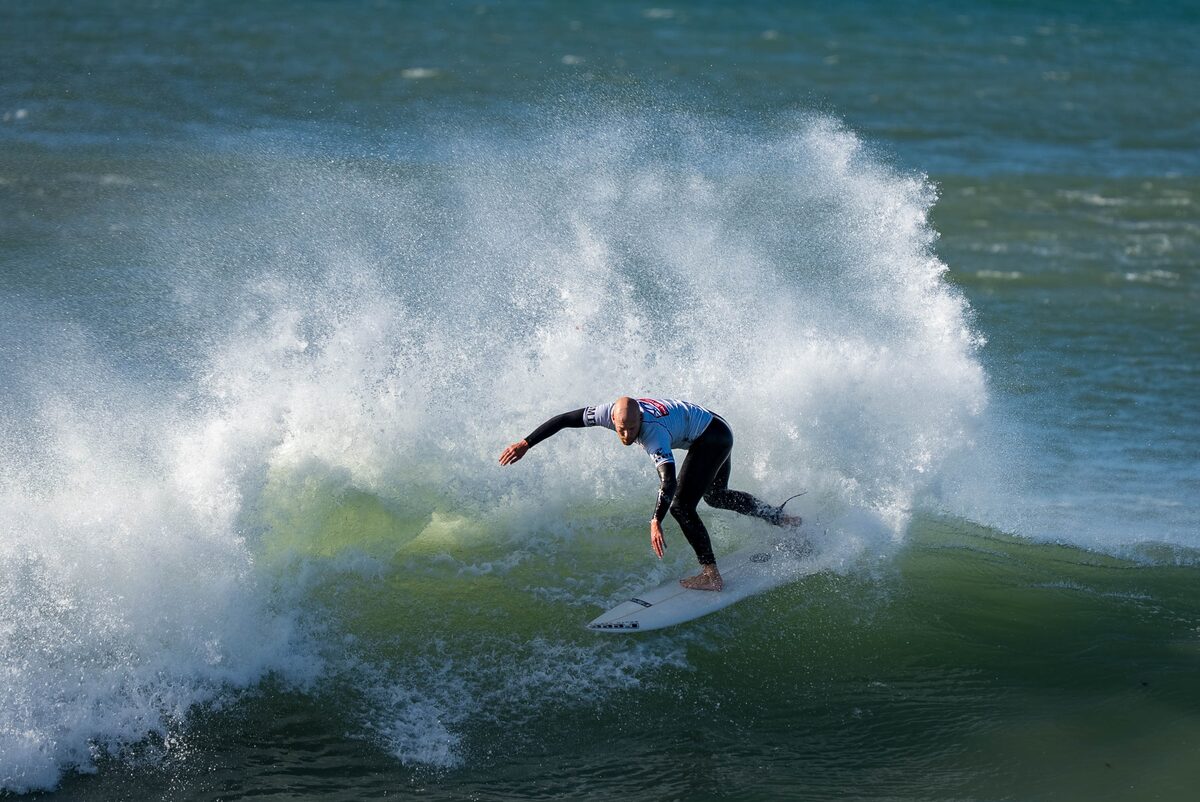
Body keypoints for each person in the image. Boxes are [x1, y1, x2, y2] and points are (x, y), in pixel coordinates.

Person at [498, 396, 800, 591]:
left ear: (639, 420)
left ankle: (711, 575)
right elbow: (564, 419)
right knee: (715, 496)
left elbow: (668, 482)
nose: (627, 436)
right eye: (621, 429)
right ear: (612, 420)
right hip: (714, 425)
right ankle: (780, 518)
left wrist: (656, 519)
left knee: (681, 507)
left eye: (632, 428)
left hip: (713, 436)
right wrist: (526, 443)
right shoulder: (607, 413)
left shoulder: (652, 432)